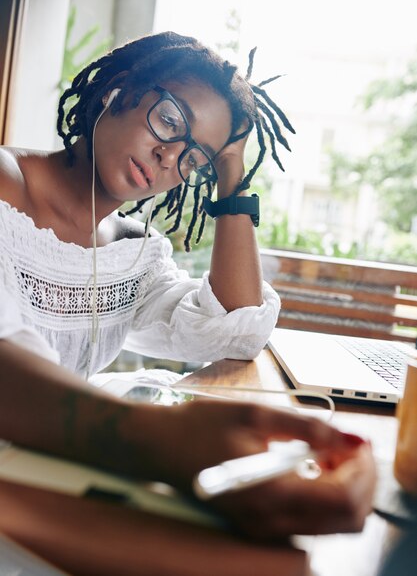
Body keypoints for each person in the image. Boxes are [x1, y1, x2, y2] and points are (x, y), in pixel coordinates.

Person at [0, 30, 375, 538]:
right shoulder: (4, 184)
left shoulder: (132, 251)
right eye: (170, 121)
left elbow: (233, 331)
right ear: (117, 85)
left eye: (194, 158)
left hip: (52, 470)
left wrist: (232, 172)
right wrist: (162, 438)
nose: (169, 156)